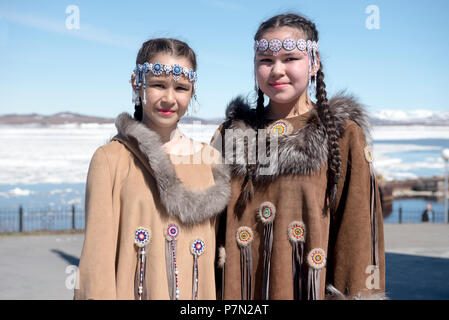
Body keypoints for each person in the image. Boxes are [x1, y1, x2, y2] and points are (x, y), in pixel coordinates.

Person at [211, 13, 385, 300]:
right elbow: (209, 224)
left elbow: (358, 231)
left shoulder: (340, 134)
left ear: (314, 63)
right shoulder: (230, 133)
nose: (277, 70)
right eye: (266, 61)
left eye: (290, 58)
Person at [74, 38, 230, 300]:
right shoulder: (111, 159)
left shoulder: (210, 159)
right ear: (138, 85)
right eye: (159, 85)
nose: (169, 98)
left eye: (181, 88)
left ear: (192, 92)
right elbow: (96, 262)